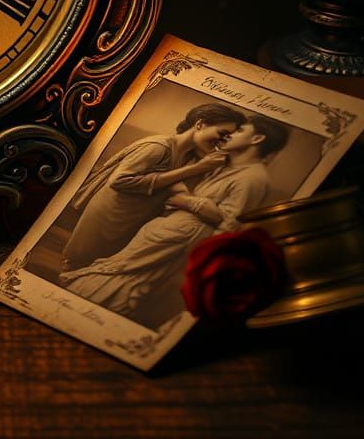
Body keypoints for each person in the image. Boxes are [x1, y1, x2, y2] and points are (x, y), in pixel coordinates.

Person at [60, 115, 290, 329]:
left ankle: (87, 316)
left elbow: (229, 223)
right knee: (121, 272)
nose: (229, 136)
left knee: (128, 278)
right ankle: (78, 310)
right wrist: (188, 199)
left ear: (257, 139)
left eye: (239, 131)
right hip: (167, 232)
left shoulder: (253, 178)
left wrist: (190, 205)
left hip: (179, 239)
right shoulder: (224, 165)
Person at [56, 103, 243, 272]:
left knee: (99, 265)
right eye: (222, 134)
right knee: (79, 260)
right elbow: (119, 181)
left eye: (226, 140)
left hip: (135, 217)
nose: (221, 143)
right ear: (200, 124)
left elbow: (172, 185)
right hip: (111, 213)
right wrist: (195, 169)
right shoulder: (158, 147)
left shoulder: (188, 156)